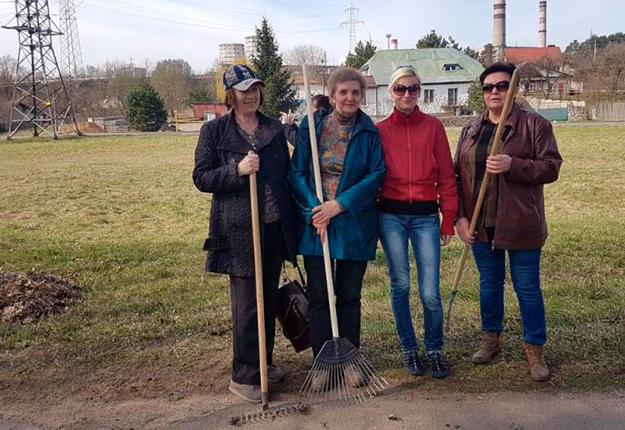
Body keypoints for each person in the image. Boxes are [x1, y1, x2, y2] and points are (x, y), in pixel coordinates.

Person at [192, 64, 298, 402]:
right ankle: (244, 376)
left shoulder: (272, 129)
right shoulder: (215, 132)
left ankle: (263, 364)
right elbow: (202, 177)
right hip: (239, 231)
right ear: (231, 95)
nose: (251, 94)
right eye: (243, 89)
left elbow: (286, 174)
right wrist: (236, 170)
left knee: (267, 299)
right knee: (247, 306)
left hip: (272, 227)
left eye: (255, 88)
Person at [453, 62, 562, 382]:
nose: (495, 92)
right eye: (488, 87)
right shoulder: (470, 130)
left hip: (520, 222)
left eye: (502, 86)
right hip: (480, 223)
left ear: (514, 89)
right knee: (489, 283)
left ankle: (534, 348)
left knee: (527, 288)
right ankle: (491, 338)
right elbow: (457, 175)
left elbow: (551, 167)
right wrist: (460, 216)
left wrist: (513, 164)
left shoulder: (535, 126)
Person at [287, 67, 385, 388]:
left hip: (353, 221)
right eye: (343, 92)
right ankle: (322, 362)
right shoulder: (312, 127)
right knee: (318, 297)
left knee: (348, 295)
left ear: (362, 96)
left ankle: (350, 358)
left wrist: (338, 205)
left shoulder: (370, 132)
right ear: (331, 96)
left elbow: (375, 176)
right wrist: (316, 211)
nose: (349, 98)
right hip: (317, 224)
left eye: (355, 92)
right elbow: (297, 173)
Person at [375, 67, 457, 378]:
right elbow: (373, 179)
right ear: (391, 93)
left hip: (425, 217)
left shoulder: (434, 127)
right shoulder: (380, 130)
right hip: (391, 216)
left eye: (412, 89)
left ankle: (434, 349)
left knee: (430, 291)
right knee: (401, 285)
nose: (407, 94)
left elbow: (447, 177)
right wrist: (374, 226)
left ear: (419, 91)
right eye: (400, 89)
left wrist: (447, 218)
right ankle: (409, 348)